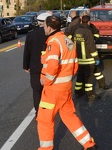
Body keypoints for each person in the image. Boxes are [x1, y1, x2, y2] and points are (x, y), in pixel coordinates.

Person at [37, 15, 98, 150]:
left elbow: (52, 66)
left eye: (44, 26)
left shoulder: (53, 42)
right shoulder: (67, 41)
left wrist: (46, 81)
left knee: (44, 120)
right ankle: (89, 144)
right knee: (69, 116)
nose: (43, 29)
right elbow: (75, 65)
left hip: (53, 90)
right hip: (65, 88)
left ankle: (46, 148)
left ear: (49, 27)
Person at [65, 10, 109, 90]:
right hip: (83, 53)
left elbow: (96, 32)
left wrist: (94, 39)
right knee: (85, 74)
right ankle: (87, 92)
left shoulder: (91, 26)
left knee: (96, 70)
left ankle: (101, 84)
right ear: (81, 18)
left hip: (89, 51)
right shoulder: (75, 26)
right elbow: (67, 34)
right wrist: (73, 41)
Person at [23, 12, 50, 117]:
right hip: (48, 67)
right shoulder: (51, 35)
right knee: (47, 90)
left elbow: (27, 52)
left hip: (35, 67)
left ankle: (39, 112)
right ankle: (47, 110)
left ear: (38, 22)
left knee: (36, 90)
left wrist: (26, 66)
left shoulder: (31, 35)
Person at [73, 15, 101, 101]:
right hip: (88, 60)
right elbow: (91, 46)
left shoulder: (77, 31)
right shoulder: (88, 32)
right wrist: (96, 58)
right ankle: (90, 95)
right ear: (89, 22)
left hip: (79, 59)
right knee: (89, 78)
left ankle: (78, 92)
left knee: (80, 77)